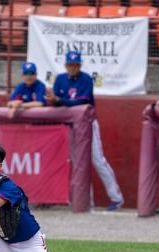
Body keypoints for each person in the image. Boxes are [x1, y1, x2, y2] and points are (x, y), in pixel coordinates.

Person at [46, 50, 124, 211]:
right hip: (70, 125)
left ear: (79, 65)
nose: (73, 67)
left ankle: (116, 198)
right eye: (70, 64)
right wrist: (57, 101)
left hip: (88, 124)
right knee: (78, 164)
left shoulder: (86, 79)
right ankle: (86, 201)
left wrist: (61, 101)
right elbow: (57, 103)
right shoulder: (60, 79)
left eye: (75, 64)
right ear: (66, 65)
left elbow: (82, 102)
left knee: (98, 161)